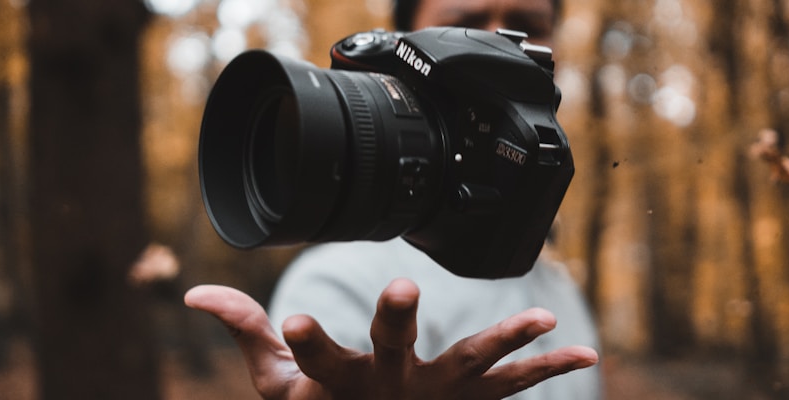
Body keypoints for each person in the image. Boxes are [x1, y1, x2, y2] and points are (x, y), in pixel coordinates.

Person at [185, 0, 602, 398]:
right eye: (467, 23)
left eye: (526, 28)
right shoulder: (337, 286)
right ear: (407, 40)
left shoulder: (556, 285)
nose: (499, 44)